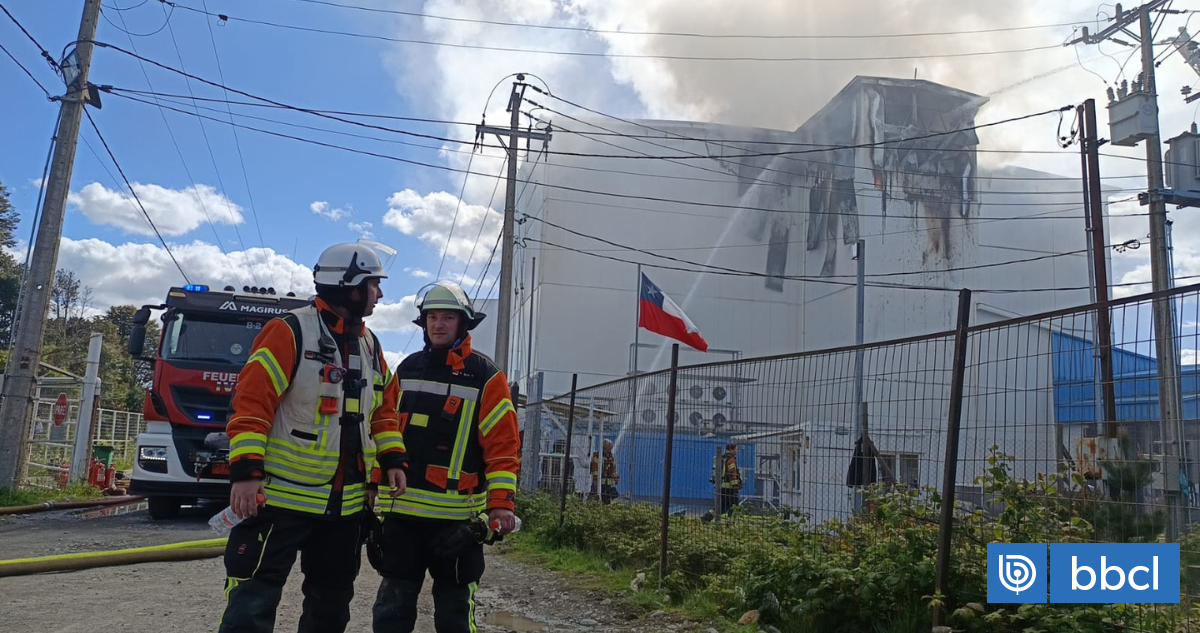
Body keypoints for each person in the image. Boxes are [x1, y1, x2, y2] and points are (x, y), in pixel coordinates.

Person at [217, 243, 408, 633]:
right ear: (350, 286)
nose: (379, 293)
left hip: (345, 507)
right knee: (253, 598)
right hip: (279, 499)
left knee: (330, 604)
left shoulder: (370, 345)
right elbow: (252, 404)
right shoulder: (289, 331)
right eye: (374, 284)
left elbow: (383, 411)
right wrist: (246, 474)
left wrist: (392, 460)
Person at [370, 280, 521, 633]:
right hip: (402, 516)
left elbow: (503, 447)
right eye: (432, 317)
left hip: (457, 522)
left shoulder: (486, 377)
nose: (438, 324)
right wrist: (373, 484)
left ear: (462, 323)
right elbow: (384, 430)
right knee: (391, 611)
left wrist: (501, 505)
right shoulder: (407, 369)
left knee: (454, 614)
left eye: (447, 318)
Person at [589, 439, 619, 504]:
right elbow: (594, 469)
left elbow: (613, 469)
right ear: (605, 447)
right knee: (596, 498)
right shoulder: (597, 455)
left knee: (607, 500)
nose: (611, 447)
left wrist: (616, 478)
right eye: (610, 446)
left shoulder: (611, 456)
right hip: (599, 482)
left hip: (608, 483)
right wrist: (596, 479)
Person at [719, 443, 742, 516]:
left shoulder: (723, 458)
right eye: (735, 449)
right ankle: (730, 521)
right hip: (730, 488)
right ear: (731, 450)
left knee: (722, 507)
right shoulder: (731, 460)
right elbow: (732, 474)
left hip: (723, 487)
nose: (736, 451)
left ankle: (707, 517)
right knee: (734, 506)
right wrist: (735, 486)